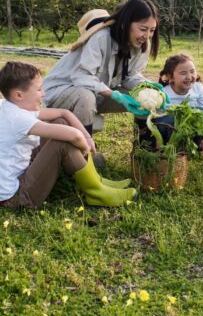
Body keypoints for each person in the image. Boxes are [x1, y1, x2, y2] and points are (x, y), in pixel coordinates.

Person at [0, 61, 136, 209]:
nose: (43, 93)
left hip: (20, 176)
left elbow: (64, 113)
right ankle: (95, 192)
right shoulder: (18, 118)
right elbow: (74, 136)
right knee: (62, 141)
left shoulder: (9, 106)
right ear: (19, 95)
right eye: (39, 90)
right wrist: (85, 146)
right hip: (16, 197)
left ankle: (96, 181)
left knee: (60, 121)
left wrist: (87, 137)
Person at [43, 0, 161, 136]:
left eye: (152, 30)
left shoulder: (140, 45)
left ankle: (145, 152)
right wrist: (113, 94)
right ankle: (83, 155)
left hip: (95, 94)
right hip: (62, 92)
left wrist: (148, 86)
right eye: (143, 29)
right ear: (125, 24)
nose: (147, 36)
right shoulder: (101, 38)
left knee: (146, 98)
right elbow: (81, 76)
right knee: (86, 97)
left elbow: (130, 76)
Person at [157, 54, 203, 150]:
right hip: (170, 130)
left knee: (200, 113)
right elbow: (159, 117)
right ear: (170, 76)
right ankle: (172, 147)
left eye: (192, 71)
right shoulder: (163, 93)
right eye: (183, 73)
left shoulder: (198, 88)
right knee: (169, 119)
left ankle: (196, 143)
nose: (189, 76)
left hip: (191, 128)